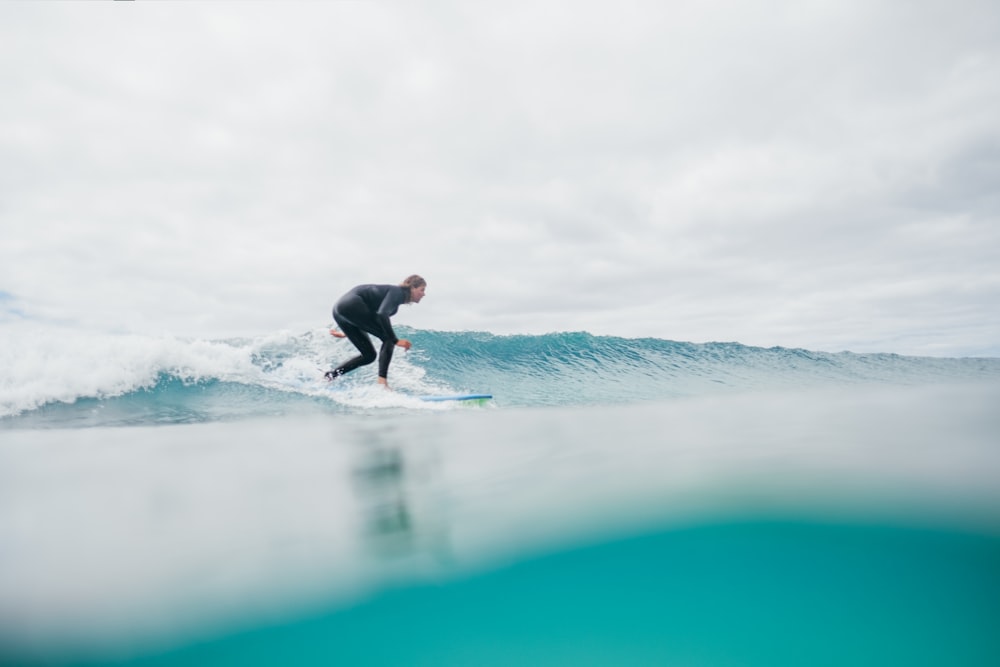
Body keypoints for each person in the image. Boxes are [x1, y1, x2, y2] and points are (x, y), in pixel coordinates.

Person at [325, 275, 426, 387]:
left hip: (340, 310)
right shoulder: (397, 292)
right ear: (412, 288)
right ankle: (382, 383)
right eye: (422, 290)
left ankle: (329, 376)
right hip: (352, 305)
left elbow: (370, 319)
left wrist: (347, 332)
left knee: (369, 356)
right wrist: (395, 340)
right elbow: (382, 314)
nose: (423, 294)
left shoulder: (391, 300)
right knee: (389, 339)